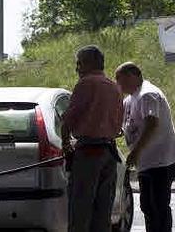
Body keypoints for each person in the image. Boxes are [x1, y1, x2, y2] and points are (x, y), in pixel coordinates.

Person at [62, 45, 123, 232]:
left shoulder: (86, 84)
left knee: (80, 210)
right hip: (109, 154)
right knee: (102, 212)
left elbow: (69, 118)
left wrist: (66, 144)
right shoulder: (114, 87)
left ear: (89, 63)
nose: (77, 68)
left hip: (88, 153)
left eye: (79, 63)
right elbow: (119, 123)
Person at [115, 62, 175, 232]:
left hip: (161, 160)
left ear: (132, 75)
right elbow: (125, 125)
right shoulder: (130, 99)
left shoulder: (147, 94)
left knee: (158, 206)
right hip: (145, 161)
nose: (118, 84)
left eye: (119, 79)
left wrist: (136, 152)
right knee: (147, 205)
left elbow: (152, 124)